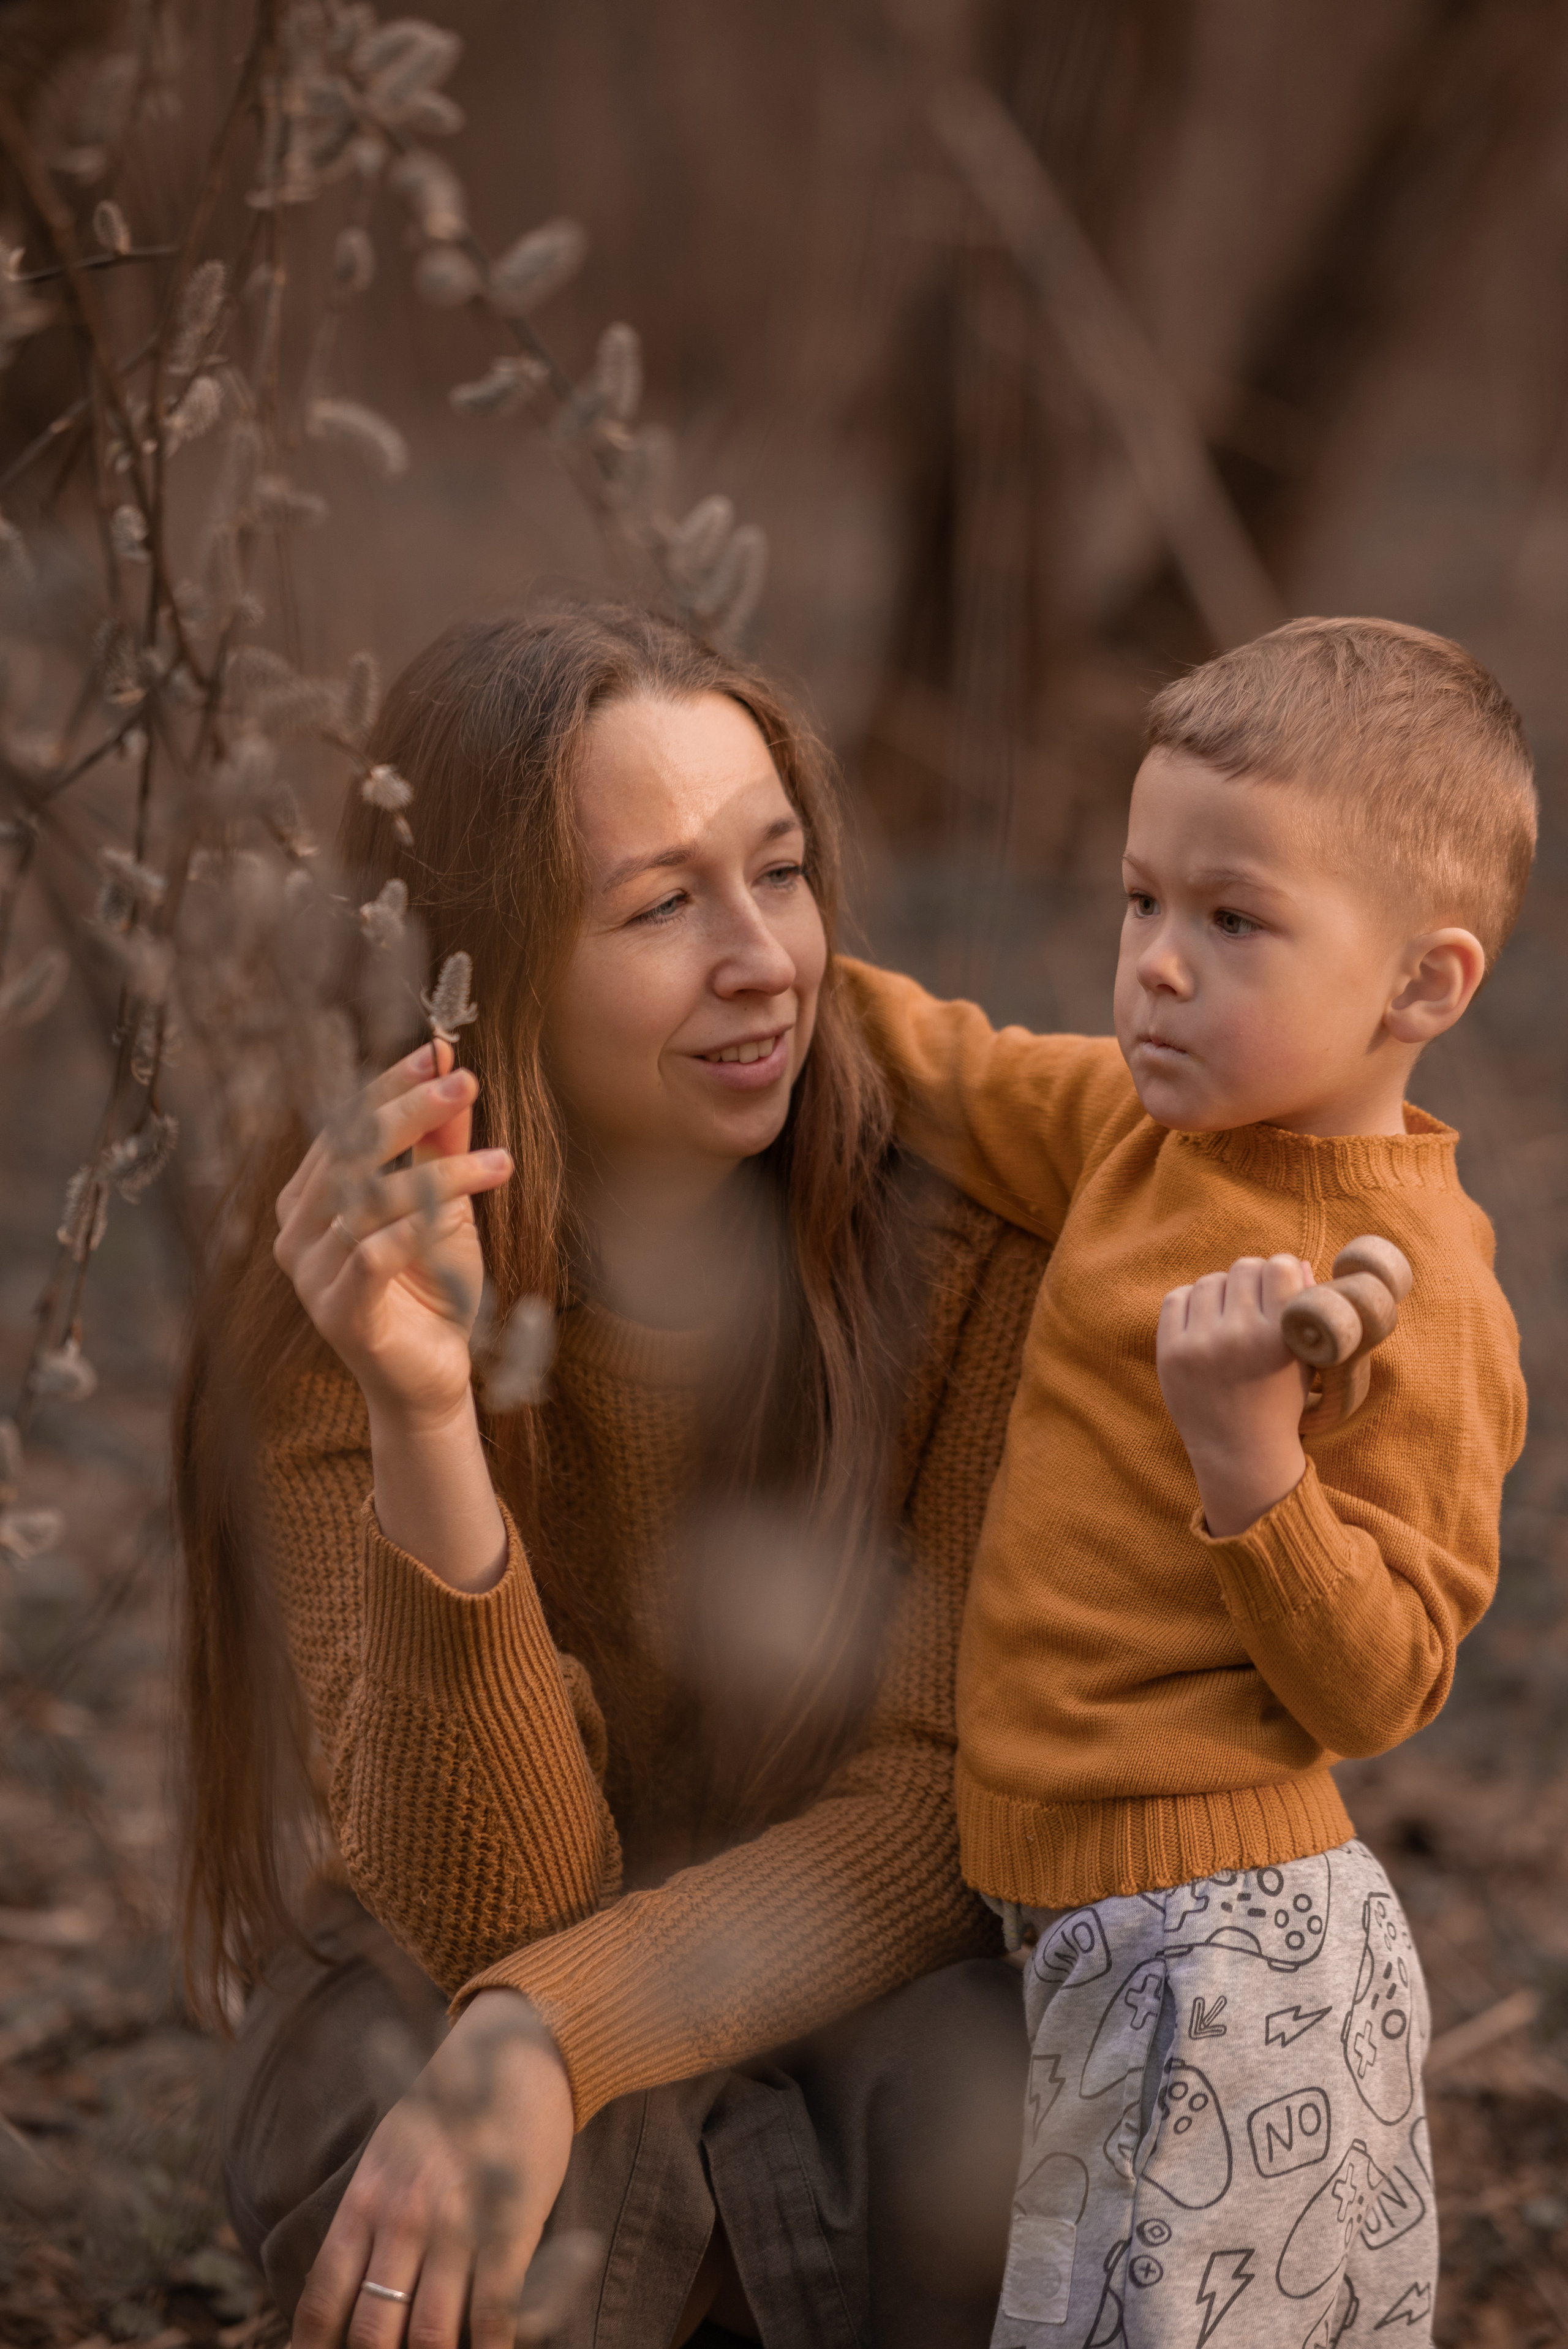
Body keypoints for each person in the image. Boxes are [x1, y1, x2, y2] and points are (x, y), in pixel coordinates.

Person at [176, 606, 1050, 2349]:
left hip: (860, 1986)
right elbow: (481, 1907)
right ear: (477, 969)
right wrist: (430, 1417)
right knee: (422, 2136)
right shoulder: (346, 1287)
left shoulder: (968, 1242)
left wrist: (558, 2027)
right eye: (660, 904)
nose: (765, 960)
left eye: (781, 872)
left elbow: (935, 1810)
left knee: (1024, 2109)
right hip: (440, 2001)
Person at [835, 618, 1532, 2347]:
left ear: (1422, 985)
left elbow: (1383, 1680)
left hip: (1228, 1969)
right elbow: (951, 1065)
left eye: (1232, 920)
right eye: (1141, 900)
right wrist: (757, 945)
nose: (1153, 962)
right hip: (1078, 1937)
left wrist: (1251, 1461)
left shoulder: (1413, 1280)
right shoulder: (1136, 1134)